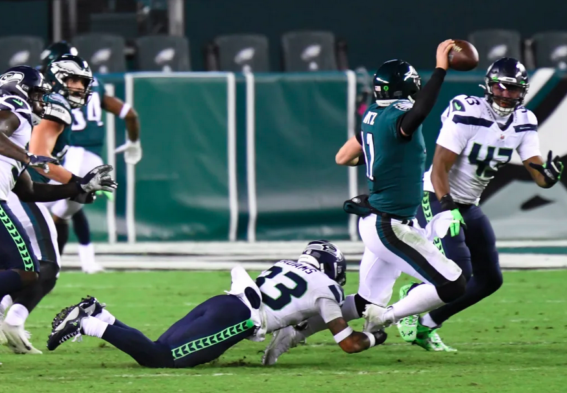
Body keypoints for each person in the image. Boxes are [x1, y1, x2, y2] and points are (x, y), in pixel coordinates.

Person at [262, 40, 467, 365]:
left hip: (378, 220)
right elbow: (419, 113)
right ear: (409, 87)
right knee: (453, 284)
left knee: (364, 300)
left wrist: (381, 158)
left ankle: (293, 332)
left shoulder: (372, 114)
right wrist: (441, 68)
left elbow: (343, 156)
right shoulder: (396, 116)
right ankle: (387, 317)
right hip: (390, 224)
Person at [396, 57, 564, 351]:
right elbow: (439, 168)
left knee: (489, 280)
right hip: (436, 195)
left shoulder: (524, 121)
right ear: (489, 85)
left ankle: (427, 323)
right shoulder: (468, 111)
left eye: (513, 89)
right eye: (501, 87)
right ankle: (413, 295)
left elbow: (537, 172)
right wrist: (446, 209)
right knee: (459, 271)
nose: (506, 94)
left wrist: (548, 176)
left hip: (468, 203)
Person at [47, 241, 387, 368]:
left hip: (224, 301)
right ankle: (87, 324)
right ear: (332, 269)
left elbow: (295, 325)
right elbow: (347, 343)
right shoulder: (326, 287)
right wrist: (375, 337)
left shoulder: (285, 265)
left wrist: (275, 353)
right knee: (161, 359)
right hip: (240, 318)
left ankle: (98, 312)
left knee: (160, 347)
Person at [0, 66, 117, 359]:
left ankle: (11, 317)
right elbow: (32, 157)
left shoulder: (17, 137)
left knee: (27, 270)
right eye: (38, 94)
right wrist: (29, 157)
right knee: (31, 270)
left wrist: (79, 186)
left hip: (8, 196)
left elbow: (29, 191)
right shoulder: (15, 106)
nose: (41, 102)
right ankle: (12, 319)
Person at [39, 41, 142, 272]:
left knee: (41, 210)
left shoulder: (53, 87)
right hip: (92, 160)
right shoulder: (95, 84)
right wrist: (134, 143)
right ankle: (76, 264)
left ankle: (45, 268)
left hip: (67, 154)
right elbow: (130, 114)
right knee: (61, 212)